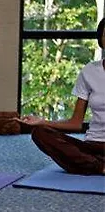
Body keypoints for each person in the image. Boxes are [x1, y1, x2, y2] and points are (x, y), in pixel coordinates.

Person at [16, 17, 105, 175]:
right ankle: (99, 166)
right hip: (92, 146)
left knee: (77, 160)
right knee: (40, 133)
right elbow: (75, 123)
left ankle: (89, 165)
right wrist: (42, 121)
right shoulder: (89, 71)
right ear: (101, 39)